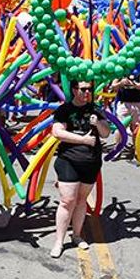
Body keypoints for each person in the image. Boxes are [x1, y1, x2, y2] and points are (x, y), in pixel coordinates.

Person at [49, 79, 109, 258]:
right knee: (68, 201)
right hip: (69, 160)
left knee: (81, 200)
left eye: (89, 89)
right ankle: (59, 241)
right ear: (74, 90)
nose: (87, 93)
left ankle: (76, 235)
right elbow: (57, 132)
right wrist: (82, 140)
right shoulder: (65, 110)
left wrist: (97, 123)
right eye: (83, 89)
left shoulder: (96, 109)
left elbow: (106, 133)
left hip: (91, 162)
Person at [110, 74, 140, 155]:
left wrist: (134, 84)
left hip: (138, 104)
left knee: (136, 127)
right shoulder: (121, 71)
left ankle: (137, 149)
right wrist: (121, 83)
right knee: (120, 127)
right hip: (123, 104)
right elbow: (113, 87)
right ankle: (117, 149)